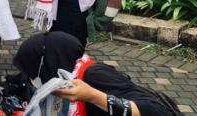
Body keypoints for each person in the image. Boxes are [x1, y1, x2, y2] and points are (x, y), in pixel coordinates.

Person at [13, 32, 180, 116]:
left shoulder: (92, 74)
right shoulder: (68, 77)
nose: (32, 80)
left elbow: (156, 110)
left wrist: (92, 96)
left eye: (33, 73)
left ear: (49, 60)